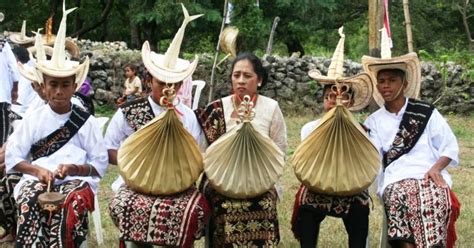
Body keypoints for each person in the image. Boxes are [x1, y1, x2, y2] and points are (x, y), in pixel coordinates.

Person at [5, 3, 108, 247]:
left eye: (65, 85)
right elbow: (14, 157)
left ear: (74, 86)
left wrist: (74, 168)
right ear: (44, 85)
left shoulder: (86, 122)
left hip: (78, 183)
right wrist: (37, 171)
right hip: (38, 179)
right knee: (28, 202)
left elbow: (99, 164)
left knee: (70, 204)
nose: (59, 91)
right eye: (53, 84)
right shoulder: (34, 118)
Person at [107, 4, 210, 248]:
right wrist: (135, 162)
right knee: (126, 206)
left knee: (194, 210)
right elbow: (108, 149)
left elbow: (200, 156)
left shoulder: (187, 115)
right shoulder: (129, 112)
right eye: (161, 81)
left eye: (174, 82)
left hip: (177, 187)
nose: (168, 88)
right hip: (135, 185)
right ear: (148, 80)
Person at [362, 49, 461, 248]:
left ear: (404, 84)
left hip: (427, 174)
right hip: (395, 178)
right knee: (398, 197)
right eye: (381, 81)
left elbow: (449, 146)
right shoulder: (373, 121)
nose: (385, 86)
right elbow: (372, 156)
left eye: (392, 80)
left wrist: (436, 168)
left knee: (438, 200)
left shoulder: (426, 112)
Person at [291, 27, 379, 248]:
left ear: (350, 101)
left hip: (352, 185)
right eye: (331, 96)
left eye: (343, 96)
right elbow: (308, 165)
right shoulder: (310, 129)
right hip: (318, 184)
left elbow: (367, 165)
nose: (336, 101)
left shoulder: (363, 131)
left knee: (360, 208)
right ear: (323, 100)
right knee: (306, 205)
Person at [196, 52, 288, 247]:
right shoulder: (217, 109)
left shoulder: (271, 108)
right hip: (221, 180)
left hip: (261, 179)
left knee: (265, 203)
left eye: (247, 76)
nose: (241, 81)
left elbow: (280, 151)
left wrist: (261, 177)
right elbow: (204, 154)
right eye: (236, 75)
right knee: (222, 205)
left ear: (260, 80)